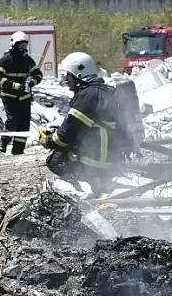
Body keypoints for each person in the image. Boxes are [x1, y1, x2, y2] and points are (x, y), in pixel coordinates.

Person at [40, 52, 120, 193]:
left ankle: (88, 187)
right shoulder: (99, 91)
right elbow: (75, 125)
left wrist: (48, 140)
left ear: (78, 75)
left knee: (56, 160)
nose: (67, 80)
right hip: (110, 152)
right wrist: (54, 134)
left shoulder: (87, 96)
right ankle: (95, 182)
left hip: (97, 156)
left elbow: (67, 135)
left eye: (68, 76)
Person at [0, 31, 43, 155]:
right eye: (21, 45)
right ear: (14, 45)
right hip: (9, 96)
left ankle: (18, 151)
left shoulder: (28, 61)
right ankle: (4, 141)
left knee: (23, 124)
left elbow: (38, 74)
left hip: (24, 97)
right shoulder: (5, 60)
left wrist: (32, 82)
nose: (23, 49)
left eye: (25, 46)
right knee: (12, 120)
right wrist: (15, 86)